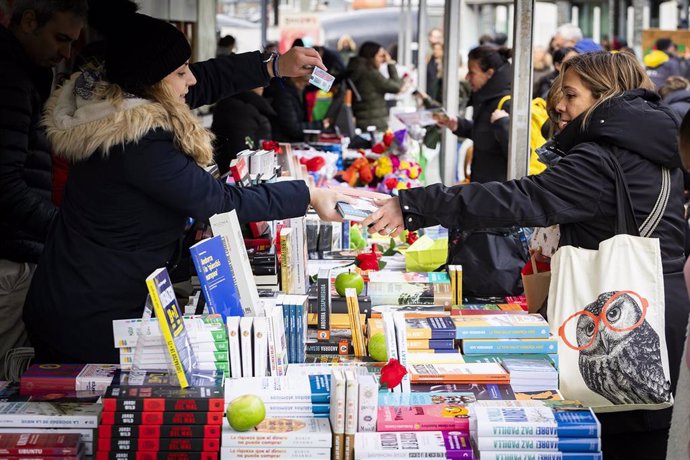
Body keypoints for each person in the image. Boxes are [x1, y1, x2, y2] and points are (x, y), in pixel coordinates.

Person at [364, 51, 689, 459]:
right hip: (653, 299)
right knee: (637, 420)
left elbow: (521, 199)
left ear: (604, 97)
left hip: (622, 311)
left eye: (570, 95)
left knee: (617, 425)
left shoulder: (602, 158)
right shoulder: (652, 149)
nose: (557, 105)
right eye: (558, 93)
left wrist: (414, 204)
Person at [24, 1, 348, 364]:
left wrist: (273, 66)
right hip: (88, 312)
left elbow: (204, 80)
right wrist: (307, 194)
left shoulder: (121, 100)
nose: (190, 80)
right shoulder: (136, 140)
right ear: (154, 81)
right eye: (181, 72)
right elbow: (219, 201)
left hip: (86, 291)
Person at [0, 0, 87, 375]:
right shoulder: (9, 78)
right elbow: (5, 185)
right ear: (30, 20)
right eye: (60, 38)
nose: (65, 53)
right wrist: (68, 231)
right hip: (10, 255)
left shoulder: (25, 74)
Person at [436, 46, 513, 183]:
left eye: (472, 73)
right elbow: (485, 135)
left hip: (498, 193)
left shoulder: (506, 103)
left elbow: (519, 154)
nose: (467, 77)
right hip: (483, 186)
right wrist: (458, 125)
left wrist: (502, 124)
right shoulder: (486, 99)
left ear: (489, 73)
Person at [211, 86, 276, 174]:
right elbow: (242, 153)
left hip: (246, 170)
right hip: (242, 174)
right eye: (259, 82)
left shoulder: (241, 104)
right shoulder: (239, 110)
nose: (263, 86)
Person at [347, 41, 404, 131]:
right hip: (374, 124)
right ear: (371, 56)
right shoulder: (371, 74)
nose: (383, 60)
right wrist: (390, 63)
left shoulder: (357, 69)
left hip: (362, 120)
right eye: (381, 56)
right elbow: (396, 87)